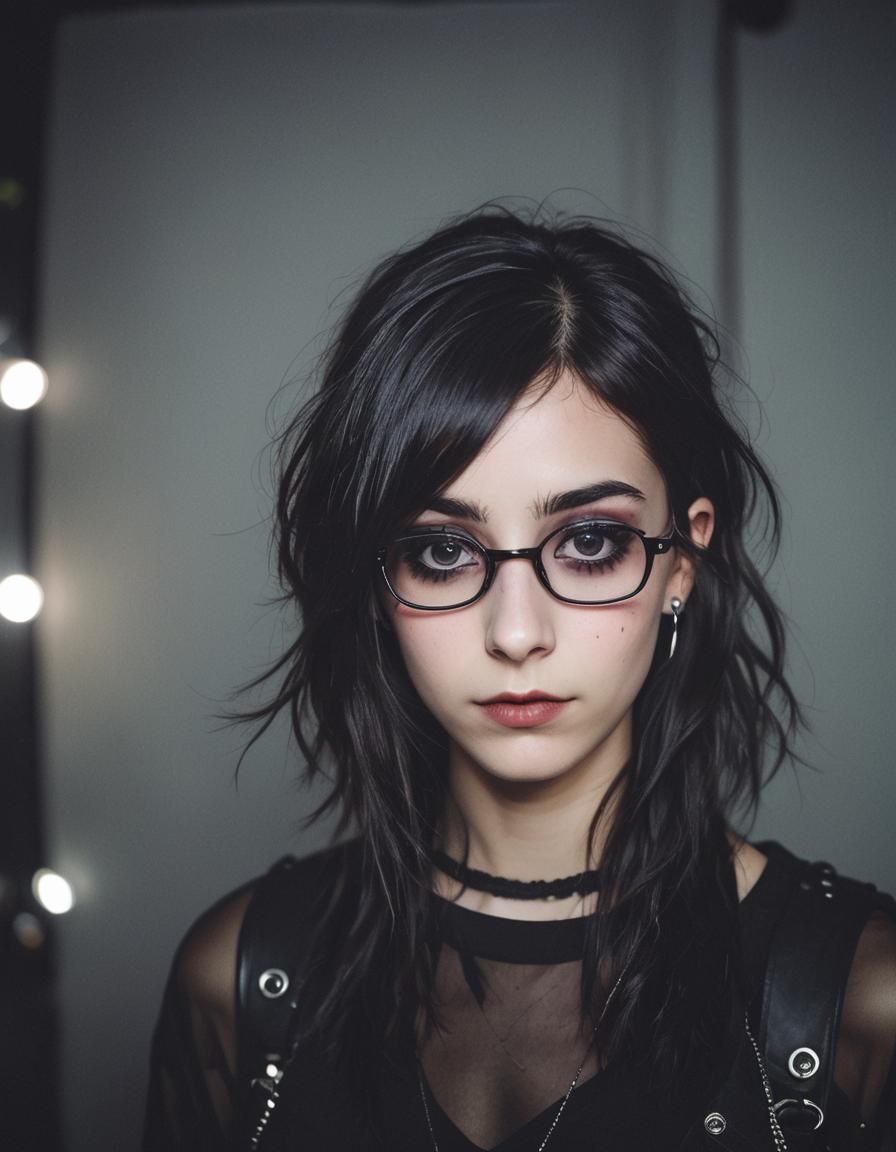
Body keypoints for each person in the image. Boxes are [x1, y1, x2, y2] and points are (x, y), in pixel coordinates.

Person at [142, 207, 896, 1152]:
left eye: (588, 543)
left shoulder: (855, 1005)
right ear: (377, 582)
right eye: (441, 552)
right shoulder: (244, 981)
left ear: (680, 561)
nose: (515, 632)